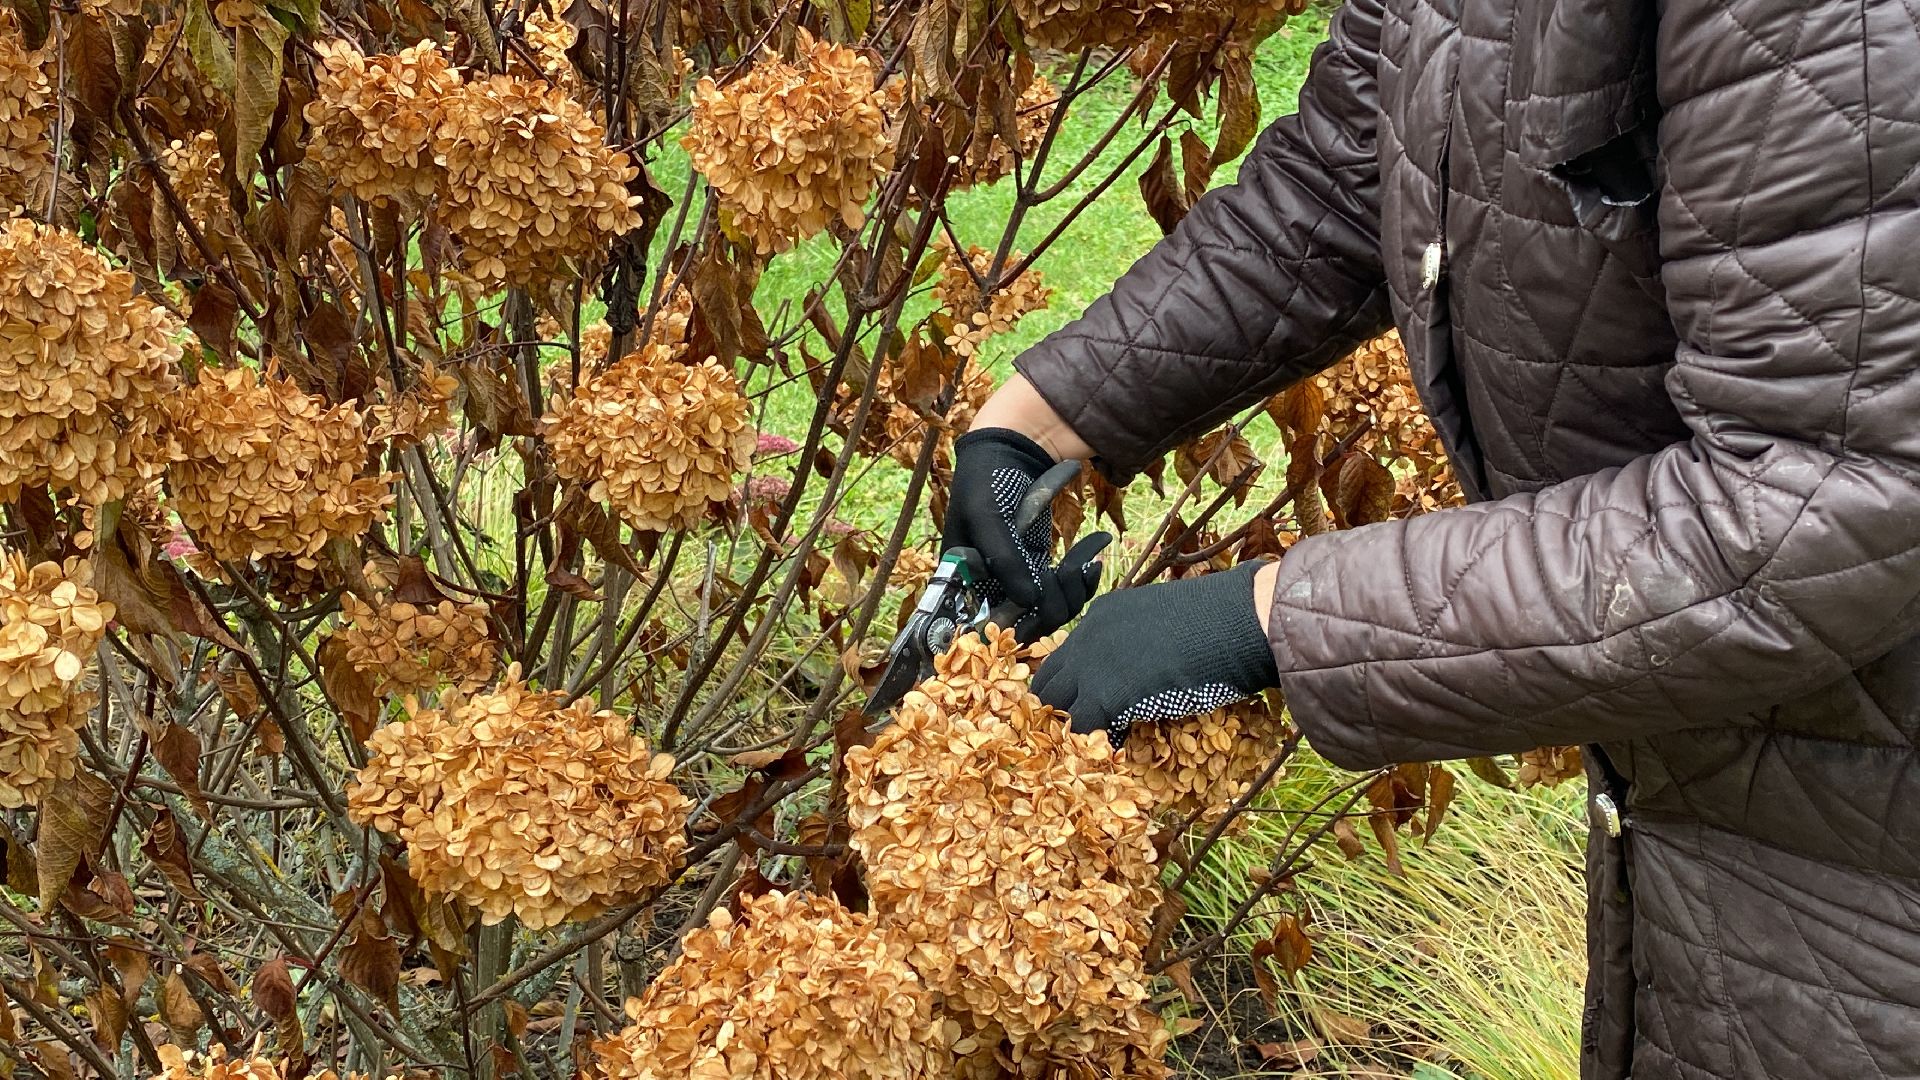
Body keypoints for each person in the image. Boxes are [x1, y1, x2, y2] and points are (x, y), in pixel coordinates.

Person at [938, 0, 1920, 1075]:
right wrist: (1040, 420)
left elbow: (1811, 506)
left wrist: (1266, 619)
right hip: (1723, 782)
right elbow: (1345, 178)